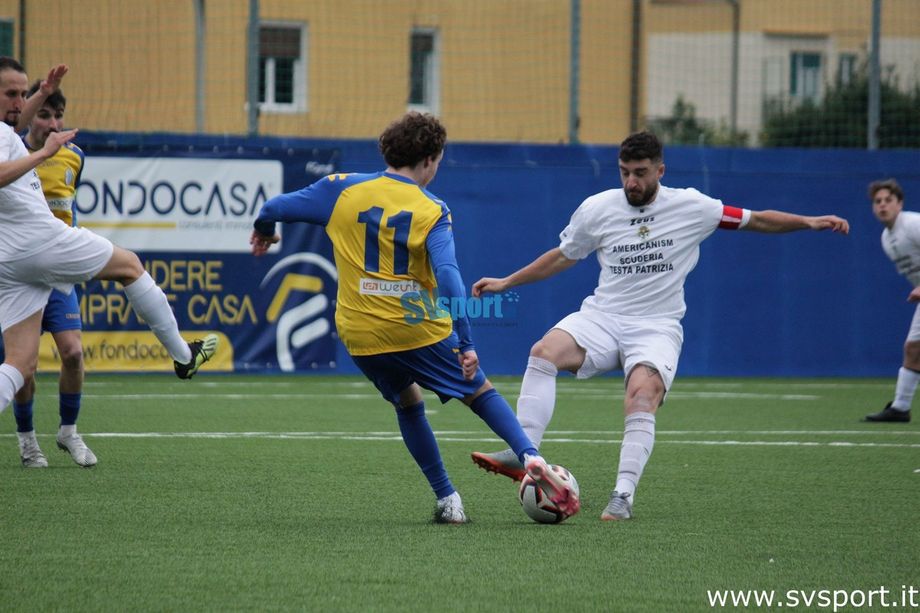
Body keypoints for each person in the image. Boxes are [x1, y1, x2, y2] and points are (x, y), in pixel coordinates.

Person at [469, 130, 850, 521]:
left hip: (656, 326)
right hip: (603, 316)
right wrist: (507, 281)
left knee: (641, 395)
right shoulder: (597, 209)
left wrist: (808, 221)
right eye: (624, 172)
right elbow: (563, 257)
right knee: (543, 352)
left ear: (660, 170)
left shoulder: (693, 206)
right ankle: (525, 452)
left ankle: (622, 496)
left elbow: (757, 221)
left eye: (640, 172)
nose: (631, 182)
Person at [250, 111, 579, 523]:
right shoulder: (432, 209)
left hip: (360, 334)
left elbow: (272, 206)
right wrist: (466, 342)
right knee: (479, 391)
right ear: (429, 160)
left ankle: (448, 501)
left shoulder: (341, 189)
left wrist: (265, 230)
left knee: (408, 404)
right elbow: (448, 276)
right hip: (416, 329)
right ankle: (530, 455)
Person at [0, 58, 219, 442]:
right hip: (40, 241)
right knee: (131, 267)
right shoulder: (13, 140)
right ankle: (184, 356)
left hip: (11, 259)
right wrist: (43, 153)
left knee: (19, 362)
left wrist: (43, 93)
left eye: (23, 93)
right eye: (11, 93)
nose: (21, 101)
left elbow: (14, 126)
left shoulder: (5, 131)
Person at [9, 82, 95, 467]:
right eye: (44, 113)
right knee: (23, 366)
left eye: (58, 115)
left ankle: (68, 433)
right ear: (30, 113)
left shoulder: (74, 156)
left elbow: (67, 209)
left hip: (56, 271)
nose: (53, 122)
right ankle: (27, 442)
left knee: (73, 352)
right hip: (17, 272)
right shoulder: (11, 152)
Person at [865, 178, 915, 423]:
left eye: (888, 200)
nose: (882, 205)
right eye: (877, 202)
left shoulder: (912, 224)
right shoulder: (887, 237)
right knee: (913, 348)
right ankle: (900, 407)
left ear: (900, 203)